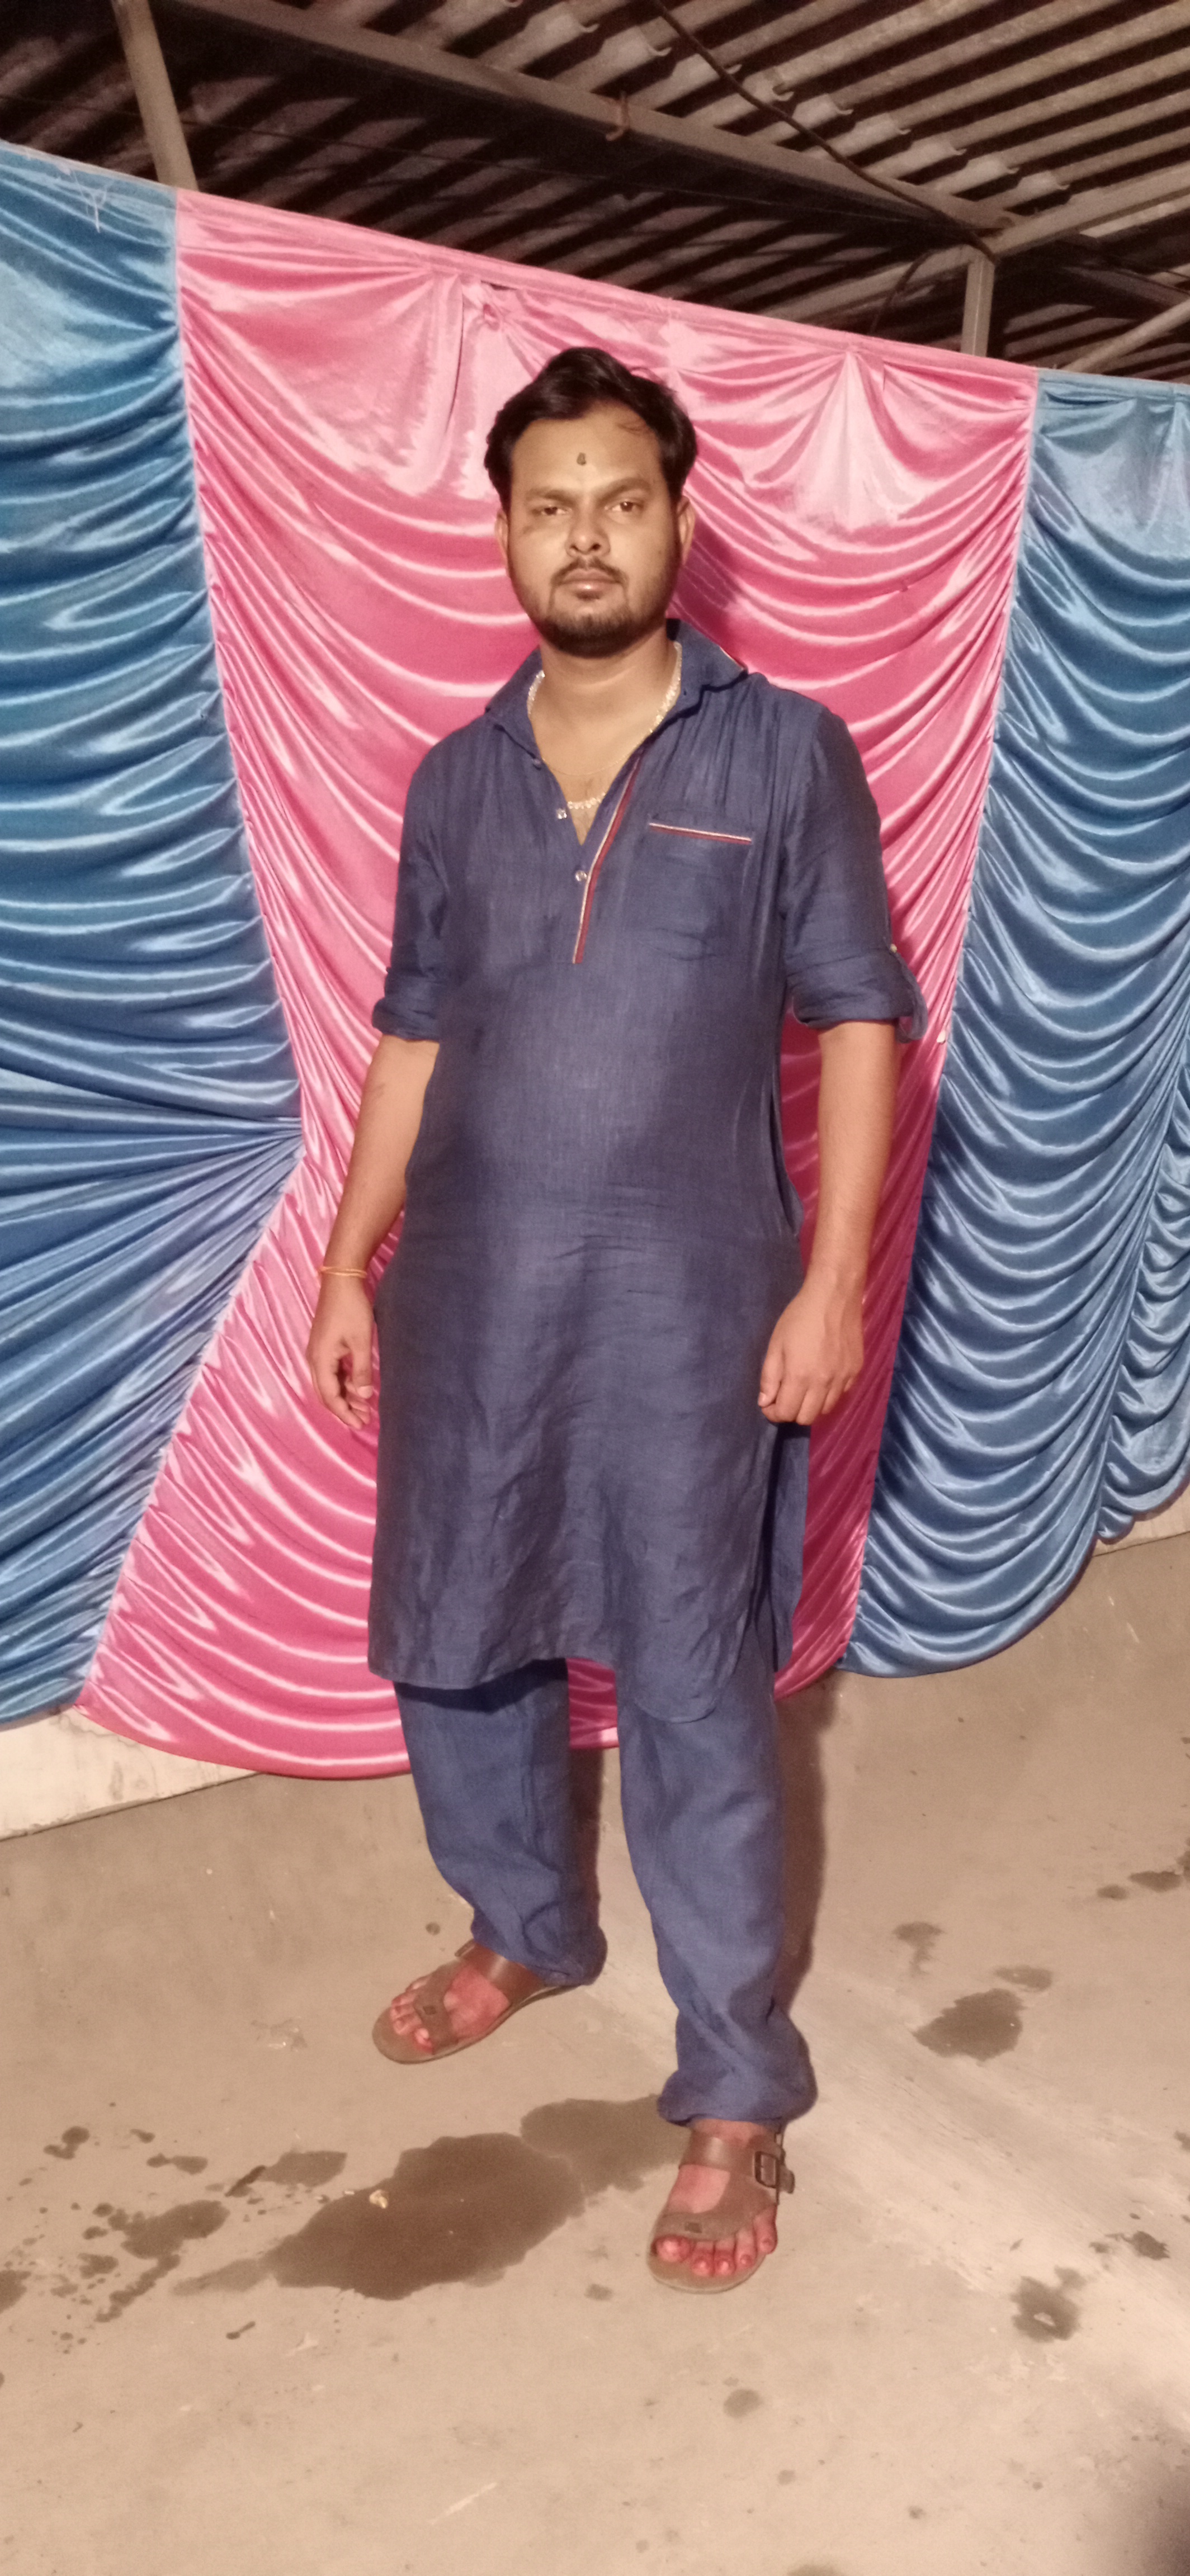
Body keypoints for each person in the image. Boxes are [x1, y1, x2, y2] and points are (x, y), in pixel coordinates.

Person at [307, 345, 925, 2294]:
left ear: (680, 520)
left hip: (690, 1309)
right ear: (504, 531)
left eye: (623, 499)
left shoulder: (783, 750)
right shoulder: (453, 779)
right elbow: (414, 1034)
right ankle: (527, 1926)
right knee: (458, 1645)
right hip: (471, 1300)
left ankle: (734, 2083)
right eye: (549, 504)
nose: (586, 536)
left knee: (691, 1686)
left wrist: (830, 1280)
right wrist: (346, 1259)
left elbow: (863, 1016)